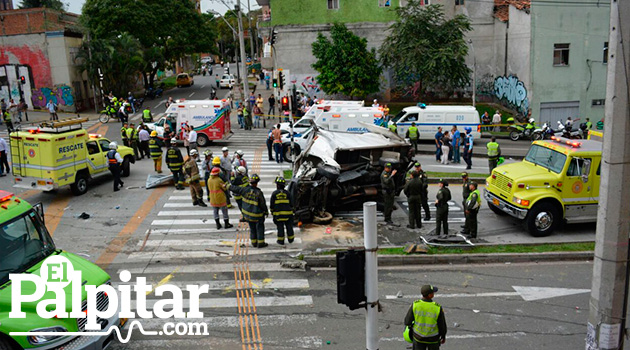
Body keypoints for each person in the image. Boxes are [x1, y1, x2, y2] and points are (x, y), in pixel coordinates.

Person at [229, 174, 269, 248]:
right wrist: (266, 212)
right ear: (257, 183)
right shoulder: (258, 192)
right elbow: (262, 204)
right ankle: (261, 243)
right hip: (257, 215)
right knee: (260, 228)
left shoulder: (245, 190)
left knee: (252, 228)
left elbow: (235, 189)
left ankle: (254, 243)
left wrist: (227, 186)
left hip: (247, 215)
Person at [404, 285, 447, 350]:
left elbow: (407, 322)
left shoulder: (415, 305)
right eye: (433, 293)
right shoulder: (437, 308)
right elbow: (442, 325)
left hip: (418, 337)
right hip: (433, 338)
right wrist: (443, 336)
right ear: (430, 295)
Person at [271, 176, 295, 245]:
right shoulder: (288, 193)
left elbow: (272, 205)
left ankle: (281, 241)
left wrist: (273, 212)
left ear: (278, 185)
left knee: (280, 228)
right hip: (288, 215)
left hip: (278, 215)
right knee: (289, 227)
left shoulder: (274, 194)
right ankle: (291, 239)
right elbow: (291, 204)